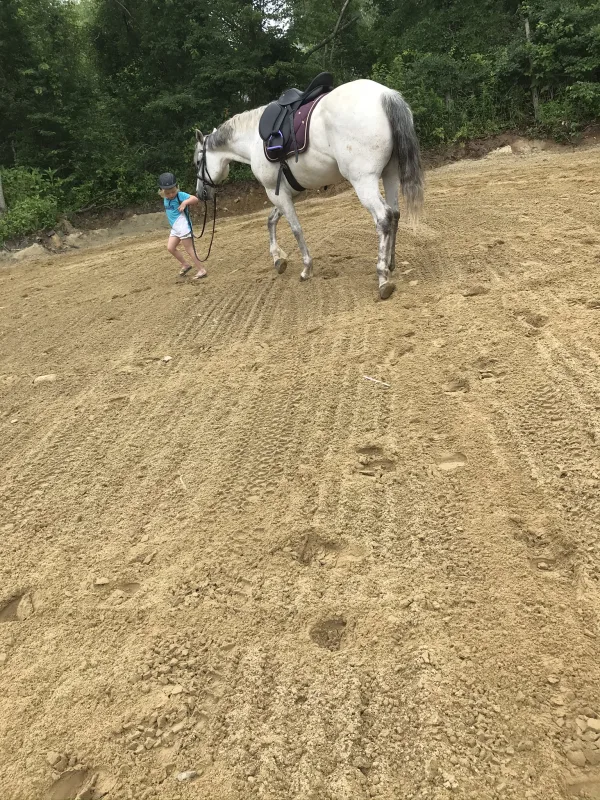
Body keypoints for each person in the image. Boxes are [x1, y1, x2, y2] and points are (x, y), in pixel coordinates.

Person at [158, 172, 207, 279]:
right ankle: (185, 264)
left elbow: (195, 199)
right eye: (167, 193)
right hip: (175, 229)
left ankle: (201, 270)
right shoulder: (165, 198)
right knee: (170, 248)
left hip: (183, 227)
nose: (171, 195)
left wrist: (185, 203)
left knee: (189, 249)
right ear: (162, 192)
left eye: (173, 191)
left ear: (177, 188)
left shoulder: (180, 195)